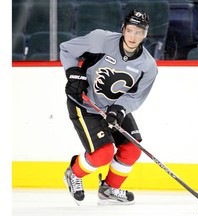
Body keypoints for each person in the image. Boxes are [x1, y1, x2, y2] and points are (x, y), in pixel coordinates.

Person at [59, 9, 158, 205]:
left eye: (139, 32)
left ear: (145, 34)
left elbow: (135, 96)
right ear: (123, 29)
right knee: (102, 155)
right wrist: (73, 73)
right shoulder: (101, 40)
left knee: (132, 149)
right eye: (130, 30)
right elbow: (66, 49)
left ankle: (109, 189)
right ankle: (74, 173)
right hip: (85, 103)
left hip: (113, 107)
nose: (133, 36)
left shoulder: (148, 66)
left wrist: (119, 109)